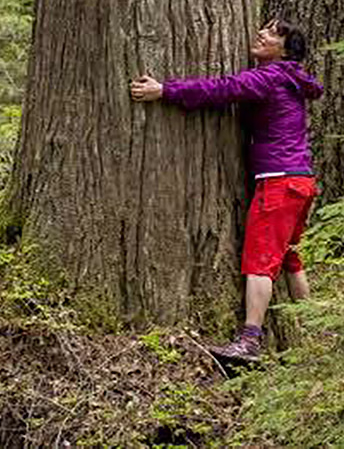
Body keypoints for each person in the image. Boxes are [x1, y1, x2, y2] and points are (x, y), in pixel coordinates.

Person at [129, 18, 323, 361]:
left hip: (279, 182)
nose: (261, 33)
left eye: (273, 33)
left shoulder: (270, 77)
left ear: (284, 50)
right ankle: (316, 334)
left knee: (260, 261)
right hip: (300, 180)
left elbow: (221, 89)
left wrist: (165, 91)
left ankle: (249, 341)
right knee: (289, 257)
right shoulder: (291, 78)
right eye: (265, 28)